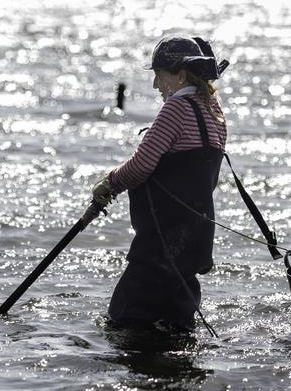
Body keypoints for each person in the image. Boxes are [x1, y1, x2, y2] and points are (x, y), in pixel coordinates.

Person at [92, 35, 227, 332]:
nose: (155, 86)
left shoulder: (175, 110)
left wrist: (109, 184)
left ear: (180, 75)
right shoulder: (214, 112)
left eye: (159, 76)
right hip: (195, 235)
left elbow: (141, 166)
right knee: (177, 320)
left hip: (162, 236)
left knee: (125, 318)